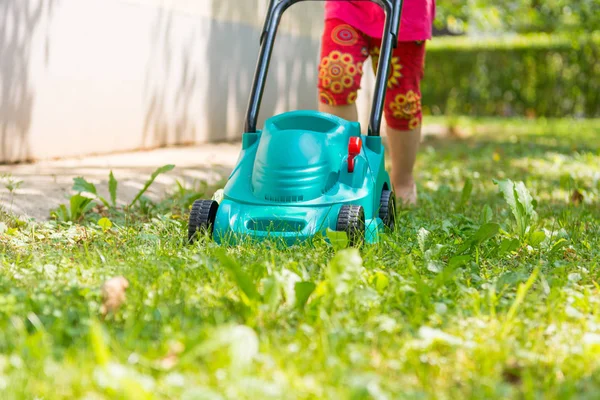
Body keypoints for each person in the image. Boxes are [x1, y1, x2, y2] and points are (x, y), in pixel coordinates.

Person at [318, 0, 436, 206]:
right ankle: (343, 176)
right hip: (349, 6)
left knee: (402, 102)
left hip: (406, 10)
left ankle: (402, 181)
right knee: (336, 75)